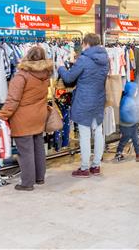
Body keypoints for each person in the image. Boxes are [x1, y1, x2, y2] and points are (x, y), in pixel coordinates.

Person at [0, 47, 53, 191]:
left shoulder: (21, 76)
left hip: (23, 118)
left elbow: (13, 100)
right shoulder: (46, 73)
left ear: (27, 56)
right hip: (39, 114)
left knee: (25, 151)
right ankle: (39, 177)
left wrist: (2, 116)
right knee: (38, 147)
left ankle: (27, 183)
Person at [58, 33, 109, 177]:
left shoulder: (84, 59)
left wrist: (61, 67)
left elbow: (68, 78)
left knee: (85, 135)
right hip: (99, 99)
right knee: (98, 132)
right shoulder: (105, 59)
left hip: (84, 101)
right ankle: (96, 166)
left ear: (86, 44)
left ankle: (85, 168)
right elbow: (93, 73)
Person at [114, 82, 139, 162]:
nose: (136, 92)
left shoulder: (125, 98)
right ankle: (137, 154)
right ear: (131, 91)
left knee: (130, 139)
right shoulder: (129, 101)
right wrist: (135, 118)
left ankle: (137, 153)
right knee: (129, 139)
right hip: (128, 125)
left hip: (128, 124)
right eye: (135, 90)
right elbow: (126, 112)